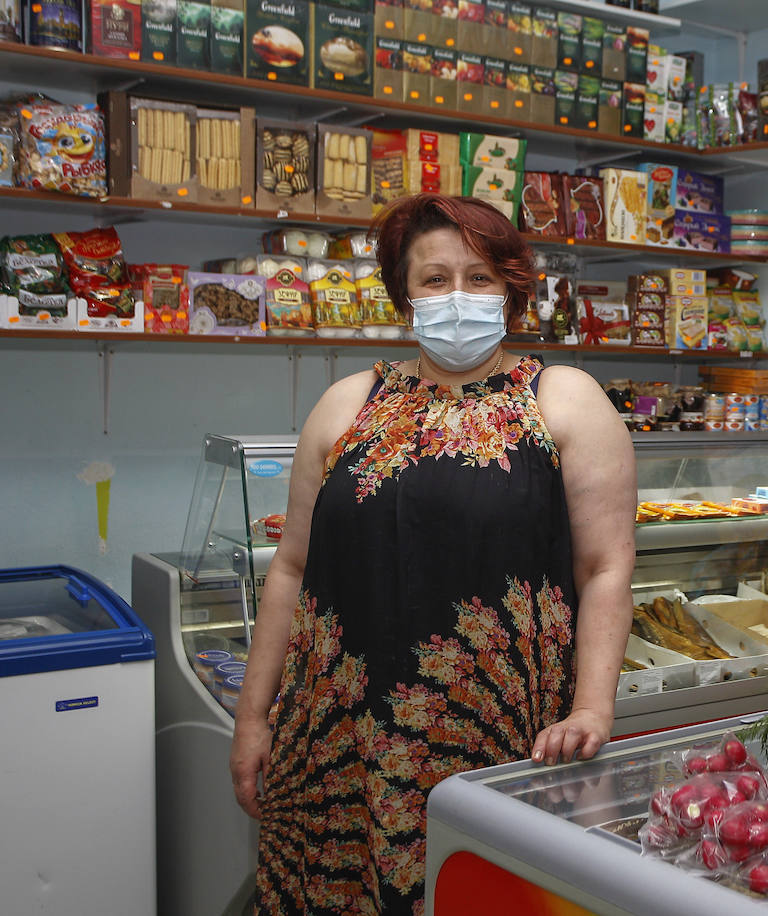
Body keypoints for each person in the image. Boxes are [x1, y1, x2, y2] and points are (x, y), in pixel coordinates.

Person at [229, 194, 636, 913]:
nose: (458, 297)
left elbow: (605, 570)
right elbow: (290, 569)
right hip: (334, 743)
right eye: (435, 278)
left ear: (511, 291)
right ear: (403, 294)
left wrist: (592, 709)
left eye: (479, 279)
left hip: (497, 744)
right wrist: (253, 717)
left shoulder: (565, 401)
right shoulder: (346, 404)